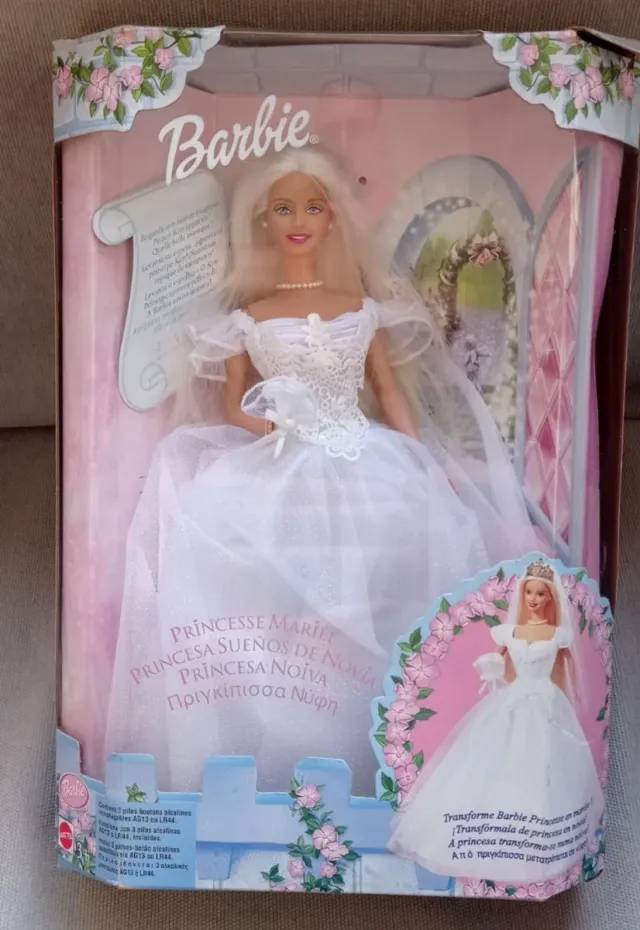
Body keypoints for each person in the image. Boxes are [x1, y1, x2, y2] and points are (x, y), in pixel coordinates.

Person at [104, 148, 536, 793]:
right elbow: (235, 407)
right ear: (264, 220)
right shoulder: (247, 318)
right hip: (281, 457)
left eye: (312, 206)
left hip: (364, 456)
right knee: (258, 577)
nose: (299, 220)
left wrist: (421, 458)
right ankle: (279, 737)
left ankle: (392, 736)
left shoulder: (361, 307)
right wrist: (278, 424)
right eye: (284, 208)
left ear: (332, 217)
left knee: (399, 567)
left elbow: (388, 393)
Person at [388, 558, 605, 882]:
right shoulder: (508, 633)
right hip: (513, 699)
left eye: (540, 593)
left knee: (541, 767)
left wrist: (563, 710)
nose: (533, 599)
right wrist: (492, 671)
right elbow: (504, 669)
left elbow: (566, 678)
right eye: (529, 592)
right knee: (494, 761)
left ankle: (536, 839)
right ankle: (491, 834)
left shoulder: (557, 636)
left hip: (545, 702)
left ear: (550, 598)